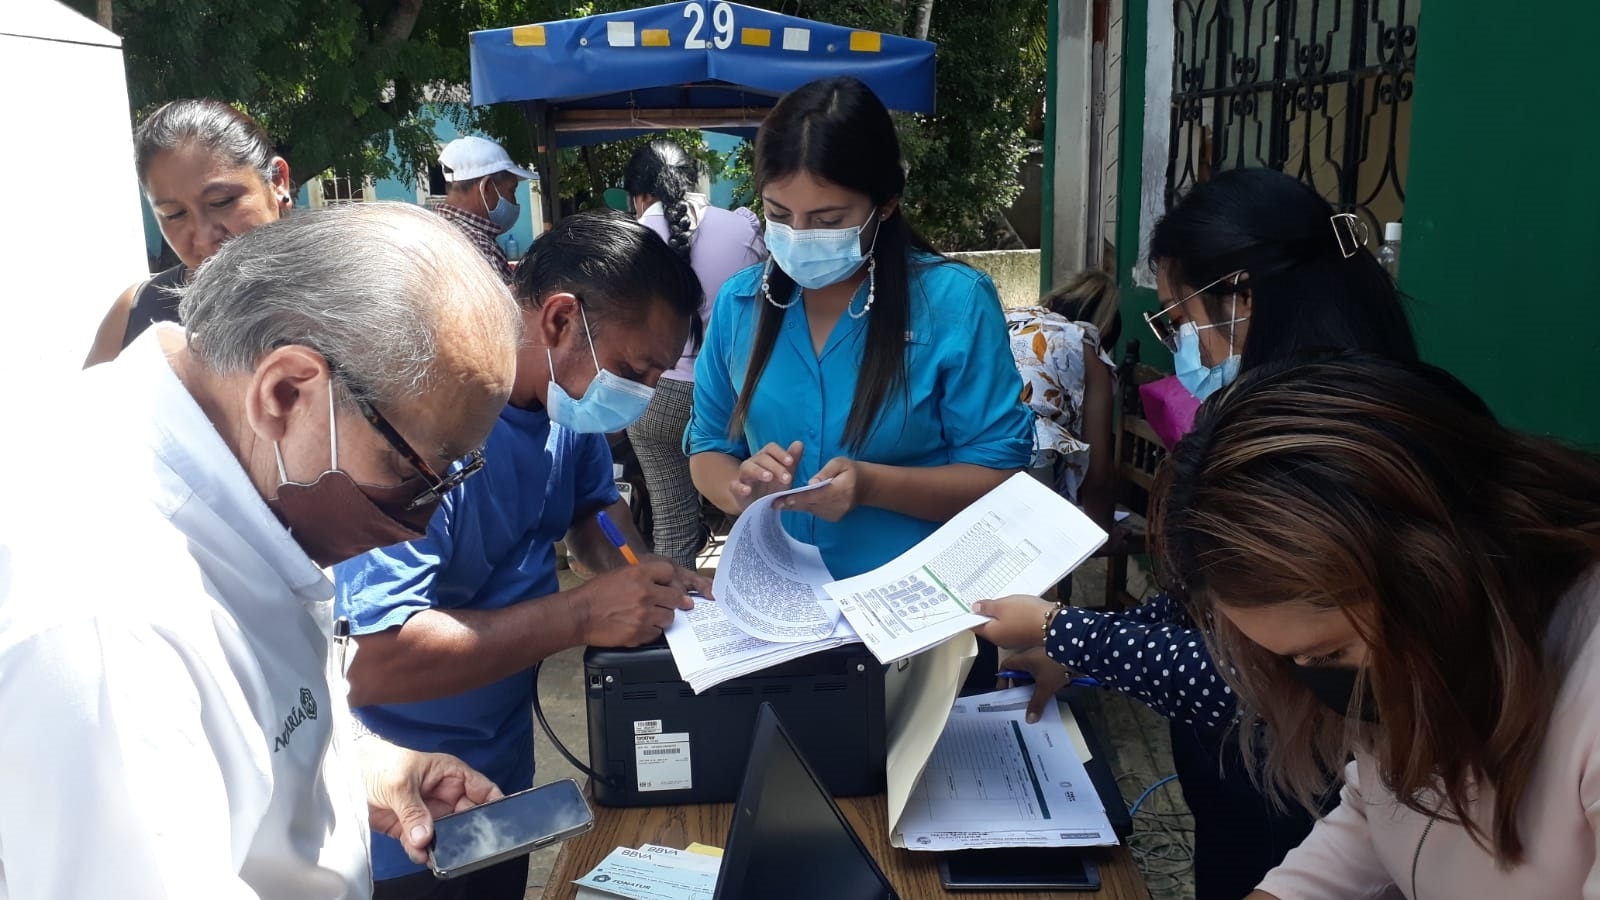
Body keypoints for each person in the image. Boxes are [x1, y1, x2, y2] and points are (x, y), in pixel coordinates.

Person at [0, 203, 520, 897]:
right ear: (284, 391)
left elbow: (229, 728)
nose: (424, 523)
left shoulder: (228, 464)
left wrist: (360, 763)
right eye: (416, 473)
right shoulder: (108, 622)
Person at [975, 167, 1416, 898]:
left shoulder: (1315, 448)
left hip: (1298, 805)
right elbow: (1202, 606)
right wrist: (1083, 657)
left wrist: (1068, 631)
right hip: (1248, 796)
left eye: (1180, 318)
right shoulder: (1270, 414)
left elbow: (1257, 677)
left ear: (1242, 302)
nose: (1184, 344)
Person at [334, 209, 712, 900]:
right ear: (560, 321)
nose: (642, 394)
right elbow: (375, 661)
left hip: (500, 777)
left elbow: (596, 514)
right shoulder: (419, 426)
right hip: (403, 811)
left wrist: (641, 571)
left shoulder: (563, 409)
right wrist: (579, 616)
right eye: (634, 369)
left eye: (658, 375)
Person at [1149, 354, 1600, 898]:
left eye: (1328, 652)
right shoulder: (1431, 649)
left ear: (1436, 568)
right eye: (1294, 660)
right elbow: (1384, 806)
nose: (1316, 678)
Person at [687, 76, 1033, 591]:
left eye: (828, 219)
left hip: (919, 600)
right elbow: (708, 446)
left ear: (886, 204)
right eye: (779, 215)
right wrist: (740, 488)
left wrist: (874, 485)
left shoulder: (954, 304)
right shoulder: (740, 305)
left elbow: (998, 473)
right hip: (783, 597)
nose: (800, 236)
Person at [623, 139, 766, 569]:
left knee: (672, 520)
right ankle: (766, 606)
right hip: (732, 397)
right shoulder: (743, 229)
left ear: (640, 195)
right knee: (750, 509)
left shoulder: (630, 240)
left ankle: (676, 622)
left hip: (653, 400)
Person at [85, 98, 293, 367]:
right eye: (174, 214)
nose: (204, 236)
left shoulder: (347, 294)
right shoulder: (138, 312)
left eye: (221, 202)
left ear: (277, 181)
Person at [1004, 271, 1118, 532]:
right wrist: (1103, 532)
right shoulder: (1083, 343)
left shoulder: (1010, 320)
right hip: (1031, 472)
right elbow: (1098, 474)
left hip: (966, 469)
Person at [434, 135, 535, 283]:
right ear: (486, 188)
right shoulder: (478, 245)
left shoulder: (432, 229)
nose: (514, 202)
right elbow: (501, 306)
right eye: (512, 191)